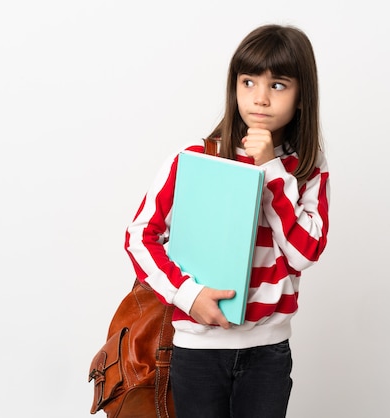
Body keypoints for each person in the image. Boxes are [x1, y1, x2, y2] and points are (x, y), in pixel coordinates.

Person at [124, 23, 329, 418]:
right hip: (197, 350)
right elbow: (139, 236)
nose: (261, 98)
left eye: (279, 85)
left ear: (303, 96)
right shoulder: (197, 157)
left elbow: (305, 253)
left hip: (268, 352)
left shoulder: (307, 168)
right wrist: (188, 295)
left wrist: (270, 169)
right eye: (249, 82)